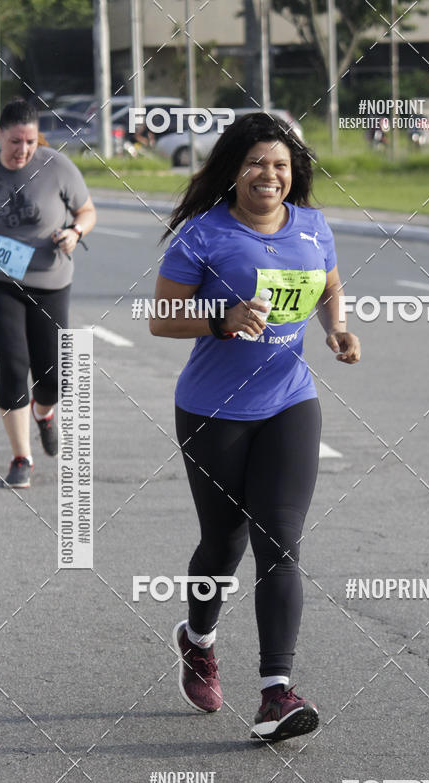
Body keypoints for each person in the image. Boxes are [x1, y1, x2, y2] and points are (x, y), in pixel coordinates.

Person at [152, 112, 360, 741]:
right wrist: (222, 319)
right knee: (224, 544)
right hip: (213, 410)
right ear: (235, 170)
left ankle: (276, 693)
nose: (270, 174)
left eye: (281, 165)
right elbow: (162, 318)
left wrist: (337, 329)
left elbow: (328, 285)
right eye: (257, 163)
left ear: (293, 173)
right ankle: (199, 638)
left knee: (280, 542)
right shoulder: (204, 235)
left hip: (289, 402)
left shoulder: (313, 226)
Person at [0, 99, 96, 488]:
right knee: (13, 366)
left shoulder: (58, 167)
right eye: (15, 141)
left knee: (53, 378)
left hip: (51, 282)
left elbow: (86, 211)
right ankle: (21, 458)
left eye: (30, 142)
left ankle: (44, 412)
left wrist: (75, 232)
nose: (23, 150)